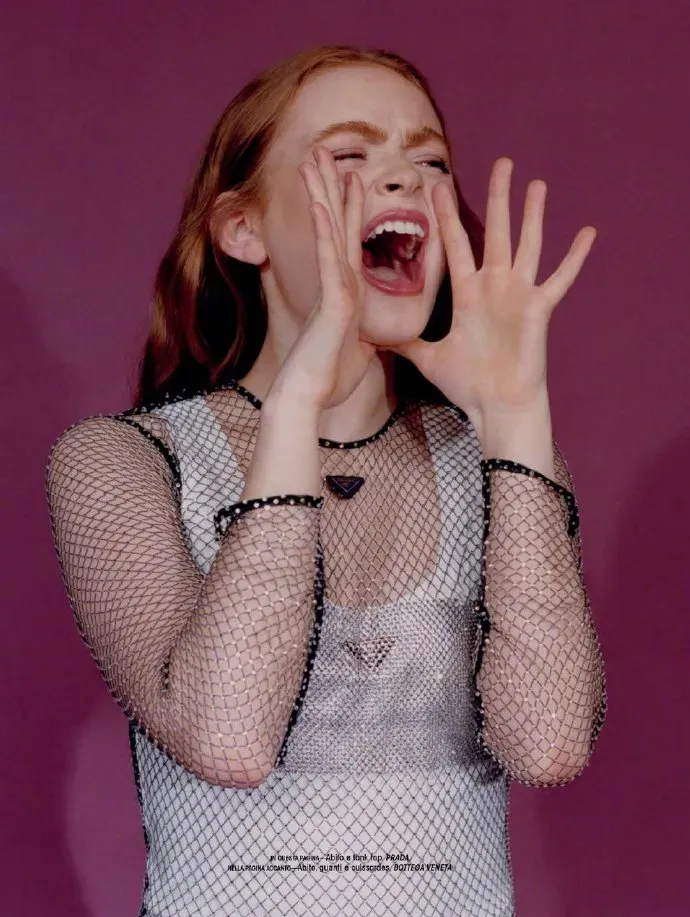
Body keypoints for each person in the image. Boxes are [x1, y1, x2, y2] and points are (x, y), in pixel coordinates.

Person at [44, 44, 607, 917]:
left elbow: (549, 745)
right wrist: (298, 404)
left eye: (429, 161)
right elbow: (229, 736)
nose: (404, 179)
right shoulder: (120, 460)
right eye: (348, 154)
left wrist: (516, 417)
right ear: (244, 230)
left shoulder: (497, 458)